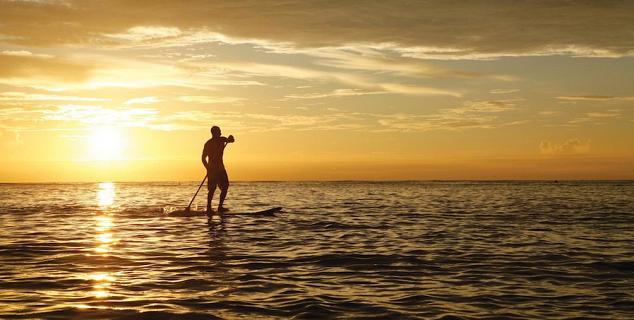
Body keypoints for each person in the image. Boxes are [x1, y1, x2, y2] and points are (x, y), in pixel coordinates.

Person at [202, 126, 235, 217]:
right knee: (212, 189)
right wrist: (208, 168)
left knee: (225, 187)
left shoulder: (222, 140)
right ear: (214, 133)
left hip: (221, 169)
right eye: (219, 132)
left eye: (220, 131)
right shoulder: (208, 144)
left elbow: (231, 140)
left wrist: (230, 138)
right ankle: (209, 207)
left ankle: (220, 207)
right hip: (212, 169)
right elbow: (203, 158)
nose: (220, 133)